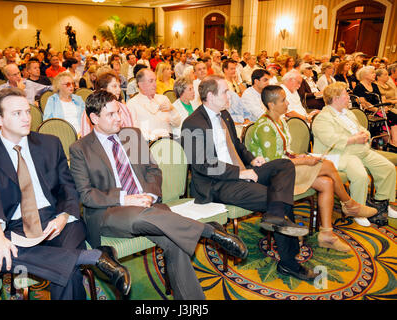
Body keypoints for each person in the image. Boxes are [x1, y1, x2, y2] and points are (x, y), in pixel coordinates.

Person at [69, 90, 247, 300]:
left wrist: (150, 196)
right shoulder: (80, 148)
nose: (118, 118)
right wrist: (126, 199)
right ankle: (209, 232)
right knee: (138, 215)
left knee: (176, 242)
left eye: (118, 111)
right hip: (109, 212)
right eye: (111, 115)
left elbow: (153, 171)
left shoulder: (131, 135)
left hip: (148, 206)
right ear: (94, 118)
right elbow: (87, 195)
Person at [0, 88, 131, 300]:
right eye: (17, 113)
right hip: (17, 226)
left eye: (27, 111)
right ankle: (93, 257)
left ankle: (81, 257)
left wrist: (63, 217)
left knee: (65, 271)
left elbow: (68, 187)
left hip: (58, 220)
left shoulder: (49, 143)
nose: (26, 118)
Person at [181, 75, 316, 281]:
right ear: (210, 96)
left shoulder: (224, 114)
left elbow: (237, 145)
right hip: (217, 184)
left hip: (241, 173)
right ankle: (288, 263)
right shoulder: (192, 123)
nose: (230, 95)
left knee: (284, 165)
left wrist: (252, 161)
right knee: (276, 197)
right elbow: (202, 164)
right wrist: (239, 173)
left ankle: (275, 215)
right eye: (225, 91)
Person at [249, 85, 377, 249]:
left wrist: (299, 156)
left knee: (327, 183)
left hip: (286, 168)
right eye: (283, 100)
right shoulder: (265, 126)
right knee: (328, 165)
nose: (288, 103)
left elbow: (285, 153)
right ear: (271, 105)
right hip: (274, 175)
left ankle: (326, 234)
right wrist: (304, 161)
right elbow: (274, 163)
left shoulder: (279, 121)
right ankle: (350, 204)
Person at [312, 82, 397, 227]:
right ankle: (357, 210)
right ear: (336, 98)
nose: (348, 97)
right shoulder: (323, 117)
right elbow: (330, 139)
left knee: (387, 168)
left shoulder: (348, 112)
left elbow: (363, 128)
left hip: (360, 150)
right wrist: (353, 139)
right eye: (345, 94)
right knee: (361, 176)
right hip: (339, 154)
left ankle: (382, 204)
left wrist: (365, 134)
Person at [126, 68, 181, 141]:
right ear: (141, 84)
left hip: (169, 144)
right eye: (151, 81)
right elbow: (132, 133)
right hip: (147, 146)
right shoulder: (132, 104)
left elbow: (177, 123)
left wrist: (172, 109)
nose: (155, 84)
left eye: (155, 80)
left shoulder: (163, 99)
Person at [353, 66, 397, 150]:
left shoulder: (374, 85)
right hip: (368, 112)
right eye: (372, 73)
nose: (374, 74)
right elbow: (364, 104)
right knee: (389, 118)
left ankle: (394, 142)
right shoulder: (359, 87)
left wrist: (384, 107)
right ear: (365, 75)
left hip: (379, 109)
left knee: (394, 117)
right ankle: (391, 143)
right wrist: (377, 109)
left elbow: (379, 100)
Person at [80, 72, 132, 137]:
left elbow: (131, 134)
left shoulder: (123, 108)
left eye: (119, 86)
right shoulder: (91, 110)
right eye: (114, 86)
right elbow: (86, 139)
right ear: (103, 90)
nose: (119, 90)